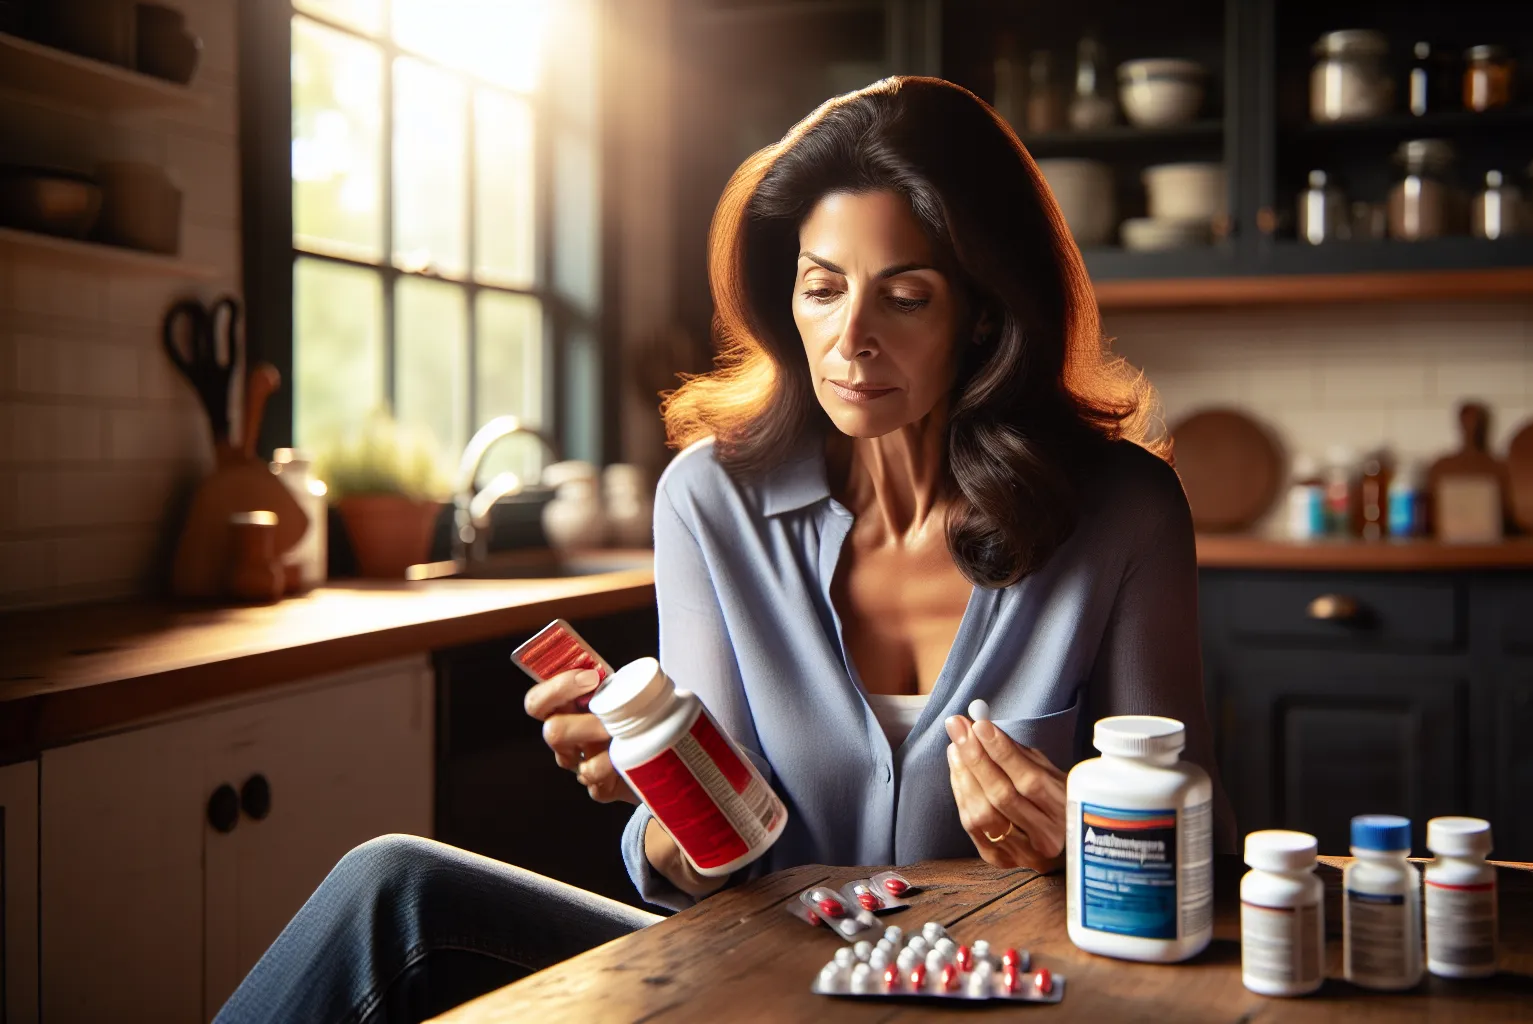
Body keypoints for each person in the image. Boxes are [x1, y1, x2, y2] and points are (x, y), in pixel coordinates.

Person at [215, 76, 1232, 1024]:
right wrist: (671, 802)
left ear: (982, 313)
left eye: (906, 295)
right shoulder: (710, 500)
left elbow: (1204, 861)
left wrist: (1086, 846)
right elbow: (714, 868)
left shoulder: (1123, 512)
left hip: (997, 989)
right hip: (754, 983)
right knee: (393, 886)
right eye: (823, 288)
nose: (852, 337)